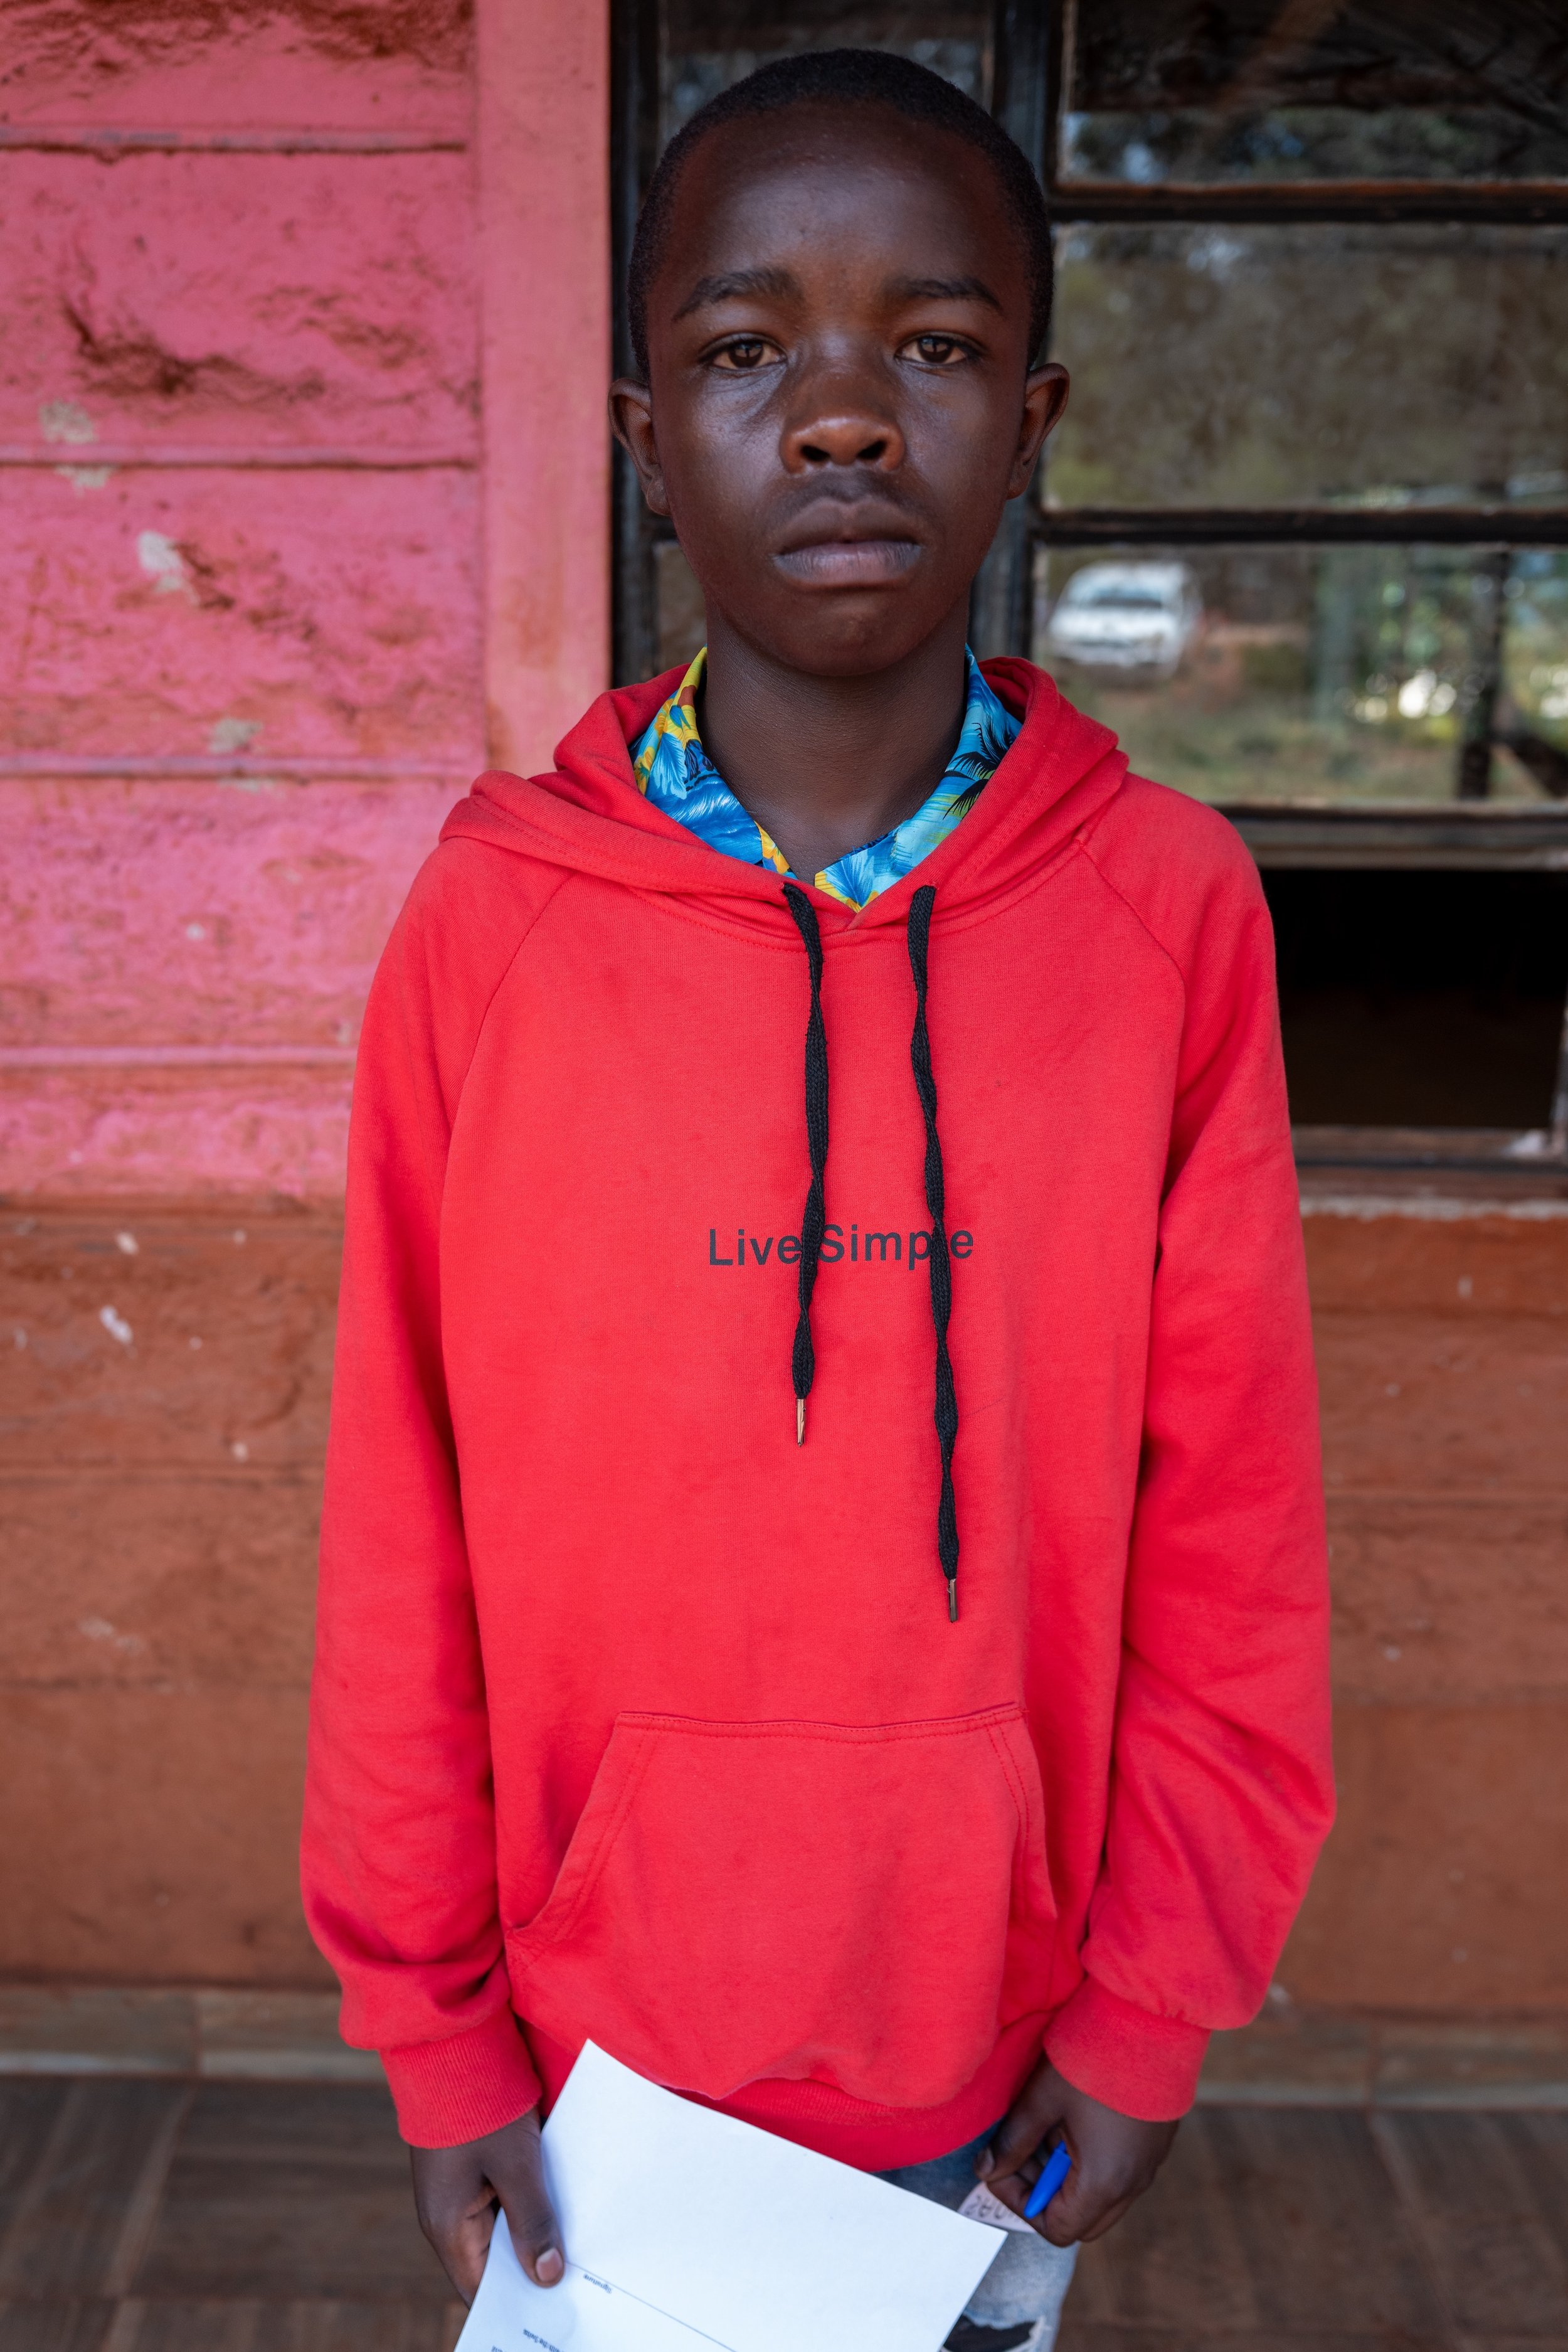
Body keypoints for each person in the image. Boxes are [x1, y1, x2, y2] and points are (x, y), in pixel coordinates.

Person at [302, 48, 1333, 2352]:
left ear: (1033, 416)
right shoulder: (494, 925)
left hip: (998, 2045)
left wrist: (1153, 2002)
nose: (845, 419)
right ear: (639, 433)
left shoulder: (1164, 910)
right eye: (746, 352)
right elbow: (401, 1506)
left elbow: (1232, 1522)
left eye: (934, 351)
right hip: (589, 2052)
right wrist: (429, 2023)